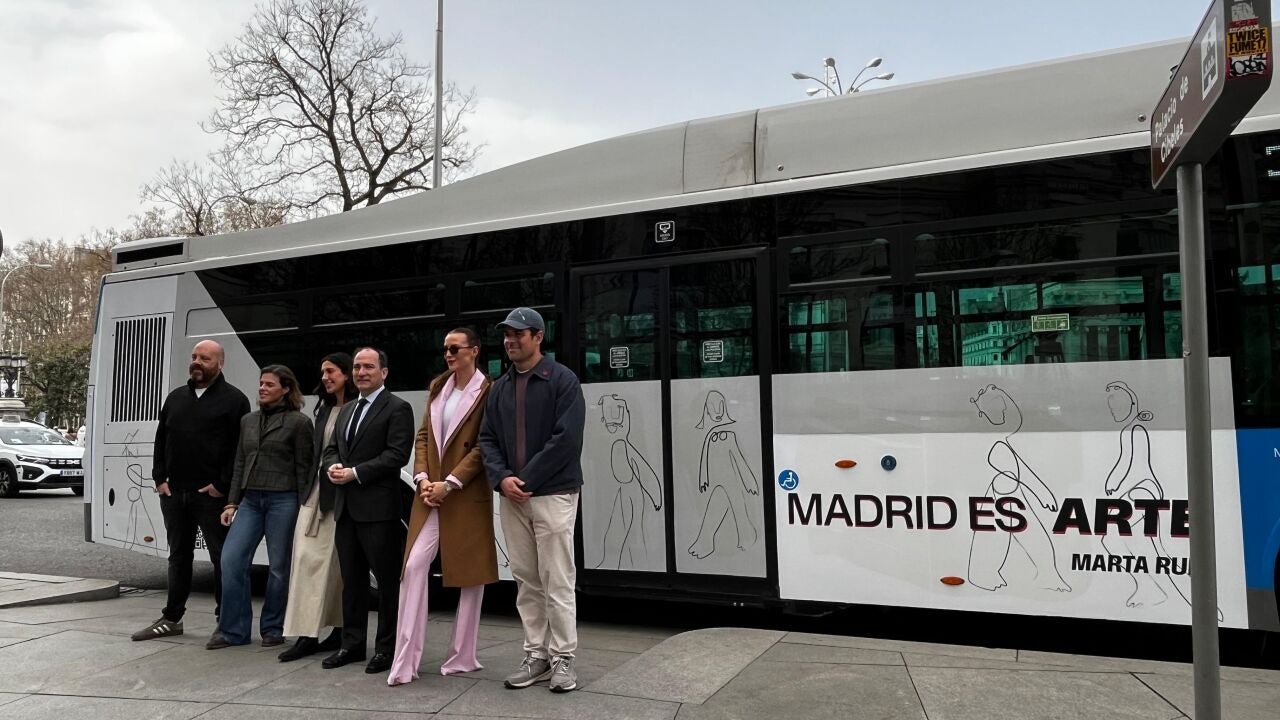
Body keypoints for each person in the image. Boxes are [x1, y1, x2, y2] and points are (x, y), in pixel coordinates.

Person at [478, 307, 586, 693]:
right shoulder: (500, 387)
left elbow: (567, 440)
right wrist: (502, 478)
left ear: (538, 337)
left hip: (553, 494)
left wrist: (524, 478)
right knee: (526, 579)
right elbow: (486, 439)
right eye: (507, 335)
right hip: (513, 497)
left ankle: (564, 660)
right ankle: (536, 655)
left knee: (557, 579)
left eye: (518, 335)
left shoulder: (563, 380)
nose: (510, 341)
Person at [388, 328, 497, 686]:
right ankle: (405, 660)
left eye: (454, 348)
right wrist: (422, 478)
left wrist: (449, 483)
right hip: (428, 491)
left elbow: (484, 446)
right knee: (414, 565)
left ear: (474, 351)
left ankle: (463, 656)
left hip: (463, 493)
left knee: (470, 577)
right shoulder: (439, 387)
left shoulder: (488, 390)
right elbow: (423, 437)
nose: (448, 354)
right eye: (445, 349)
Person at [132, 339, 250, 642]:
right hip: (174, 494)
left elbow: (240, 450)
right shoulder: (175, 398)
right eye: (195, 356)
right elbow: (161, 440)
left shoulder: (235, 400)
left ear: (220, 364)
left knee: (221, 558)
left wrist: (222, 486)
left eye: (205, 358)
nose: (197, 362)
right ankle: (172, 618)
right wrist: (160, 478)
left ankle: (225, 622)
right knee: (178, 556)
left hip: (211, 496)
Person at [321, 347, 415, 673]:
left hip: (379, 510)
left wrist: (355, 473)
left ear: (384, 372)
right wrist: (334, 467)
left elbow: (397, 455)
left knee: (387, 583)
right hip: (346, 508)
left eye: (369, 367)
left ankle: (386, 650)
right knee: (353, 582)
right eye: (358, 367)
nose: (361, 372)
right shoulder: (346, 410)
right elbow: (332, 449)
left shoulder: (397, 408)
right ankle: (352, 645)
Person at [208, 365, 313, 649]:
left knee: (279, 568)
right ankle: (233, 630)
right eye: (261, 384)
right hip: (251, 500)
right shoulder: (248, 421)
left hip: (285, 499)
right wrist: (232, 502)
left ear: (286, 389)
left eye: (269, 384)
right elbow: (240, 463)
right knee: (231, 560)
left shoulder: (299, 423)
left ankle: (272, 628)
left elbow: (304, 469)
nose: (262, 388)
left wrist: (306, 507)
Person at [277, 352, 354, 662]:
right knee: (306, 563)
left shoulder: (355, 409)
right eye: (323, 372)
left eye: (331, 371)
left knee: (336, 570)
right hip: (315, 496)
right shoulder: (323, 409)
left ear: (346, 375)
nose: (325, 377)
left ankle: (337, 631)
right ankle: (306, 634)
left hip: (339, 496)